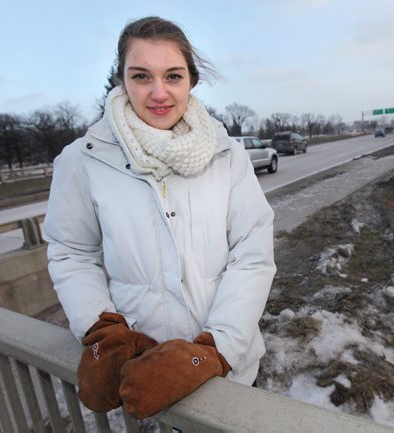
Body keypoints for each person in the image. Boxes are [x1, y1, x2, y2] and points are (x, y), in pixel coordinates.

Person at [44, 16, 276, 420]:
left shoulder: (228, 156)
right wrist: (102, 331)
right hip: (138, 374)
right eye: (141, 76)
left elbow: (252, 255)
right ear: (122, 81)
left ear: (191, 80)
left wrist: (213, 350)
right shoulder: (83, 160)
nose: (158, 93)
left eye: (172, 75)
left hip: (229, 370)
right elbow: (71, 252)